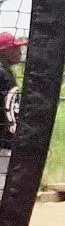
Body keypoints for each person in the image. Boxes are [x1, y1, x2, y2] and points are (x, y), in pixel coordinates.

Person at [0, 32, 24, 197]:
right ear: (4, 50)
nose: (20, 51)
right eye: (15, 48)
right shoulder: (2, 73)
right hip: (3, 142)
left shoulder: (6, 71)